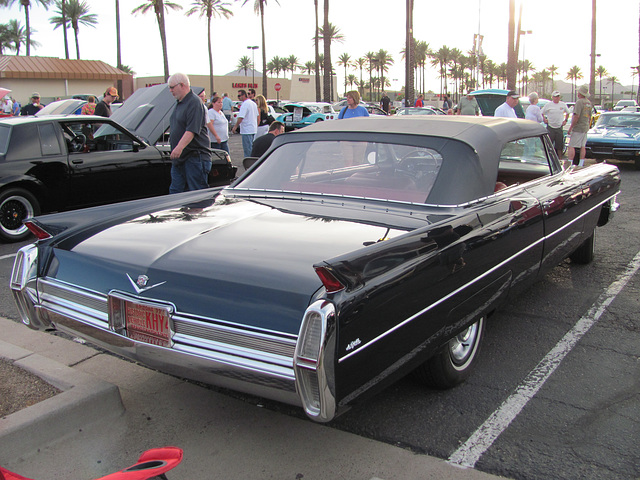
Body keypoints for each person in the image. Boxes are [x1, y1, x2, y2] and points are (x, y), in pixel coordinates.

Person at [167, 72, 212, 194]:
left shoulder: (194, 102)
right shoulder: (179, 103)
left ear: (182, 85)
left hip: (195, 157)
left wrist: (179, 148)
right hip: (181, 159)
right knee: (176, 193)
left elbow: (191, 130)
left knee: (196, 196)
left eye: (172, 87)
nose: (170, 91)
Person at [567, 85, 593, 166]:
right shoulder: (589, 103)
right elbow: (589, 116)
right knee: (582, 146)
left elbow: (576, 116)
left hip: (578, 127)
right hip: (585, 127)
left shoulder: (579, 102)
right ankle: (581, 163)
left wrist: (571, 127)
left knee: (572, 145)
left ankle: (570, 163)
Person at [541, 91, 570, 158]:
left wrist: (565, 120)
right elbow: (542, 112)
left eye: (558, 96)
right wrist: (544, 119)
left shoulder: (563, 104)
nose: (557, 98)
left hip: (559, 127)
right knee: (549, 145)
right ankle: (549, 159)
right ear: (552, 97)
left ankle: (560, 159)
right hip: (550, 127)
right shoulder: (548, 105)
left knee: (559, 146)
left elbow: (568, 112)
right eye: (555, 97)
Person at [232, 89, 259, 157]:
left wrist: (235, 126)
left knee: (247, 150)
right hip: (253, 129)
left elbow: (241, 117)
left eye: (239, 95)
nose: (238, 97)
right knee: (251, 148)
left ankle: (249, 164)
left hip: (246, 130)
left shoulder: (245, 104)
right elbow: (257, 116)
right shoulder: (253, 104)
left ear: (244, 95)